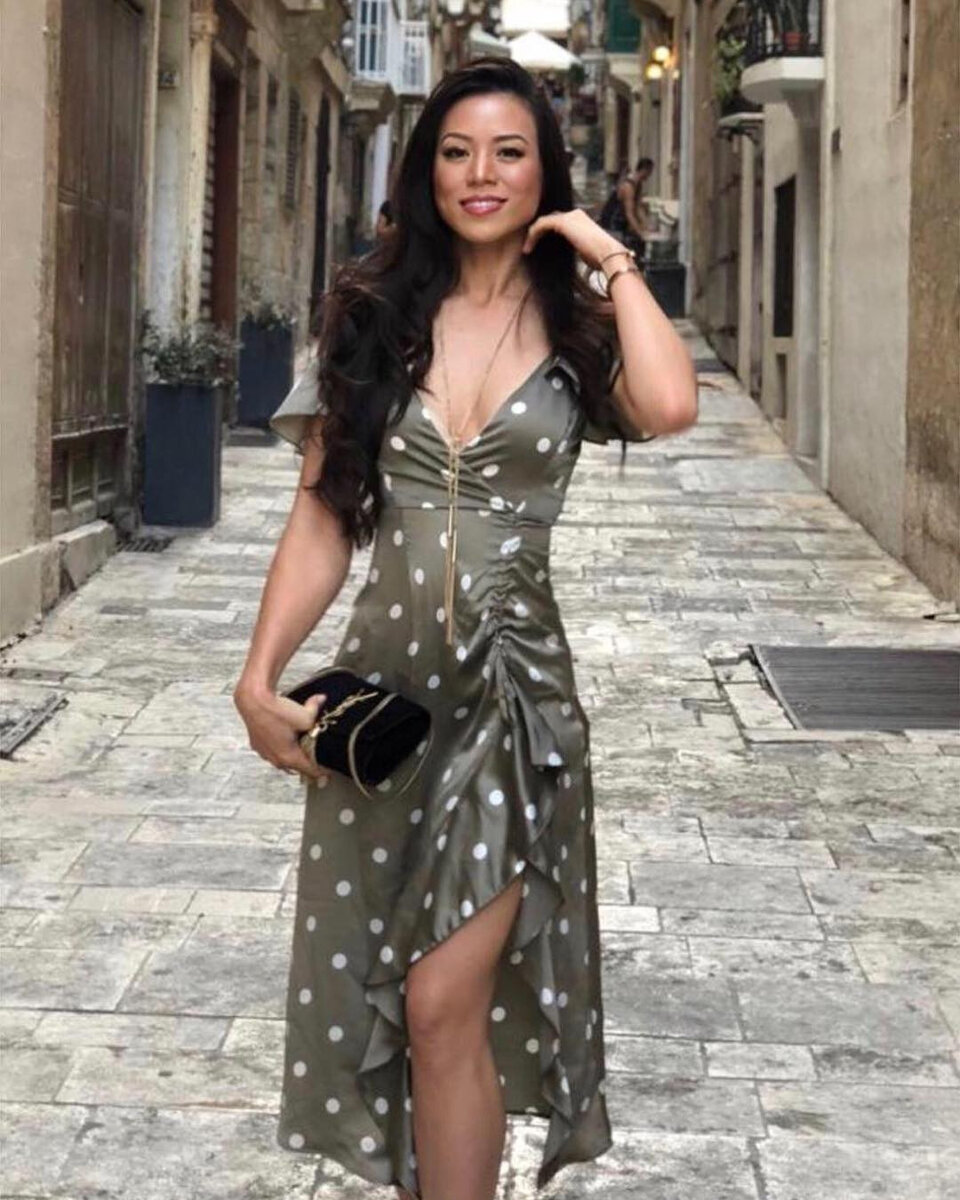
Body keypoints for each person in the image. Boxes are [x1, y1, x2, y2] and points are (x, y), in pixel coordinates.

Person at [233, 58, 696, 1200]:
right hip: (388, 706)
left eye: (508, 152)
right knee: (402, 998)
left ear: (545, 171)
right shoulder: (373, 315)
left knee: (444, 998)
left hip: (512, 699)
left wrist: (608, 253)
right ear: (425, 171)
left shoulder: (580, 326)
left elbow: (672, 404)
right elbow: (323, 517)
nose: (480, 174)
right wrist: (259, 674)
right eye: (456, 152)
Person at [598, 155, 654, 264]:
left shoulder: (638, 185)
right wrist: (639, 232)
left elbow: (638, 207)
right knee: (614, 253)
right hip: (612, 222)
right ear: (644, 169)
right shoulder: (628, 186)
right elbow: (629, 213)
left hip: (621, 222)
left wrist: (646, 225)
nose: (650, 175)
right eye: (649, 171)